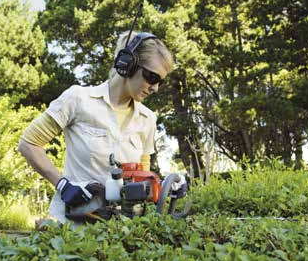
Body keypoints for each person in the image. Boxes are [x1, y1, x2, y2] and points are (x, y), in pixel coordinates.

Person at [18, 31, 184, 224]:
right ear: (127, 65)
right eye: (152, 77)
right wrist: (62, 185)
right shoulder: (78, 99)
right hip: (72, 226)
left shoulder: (147, 119)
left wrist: (165, 186)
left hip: (121, 231)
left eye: (161, 82)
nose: (155, 88)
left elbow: (140, 175)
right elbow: (28, 144)